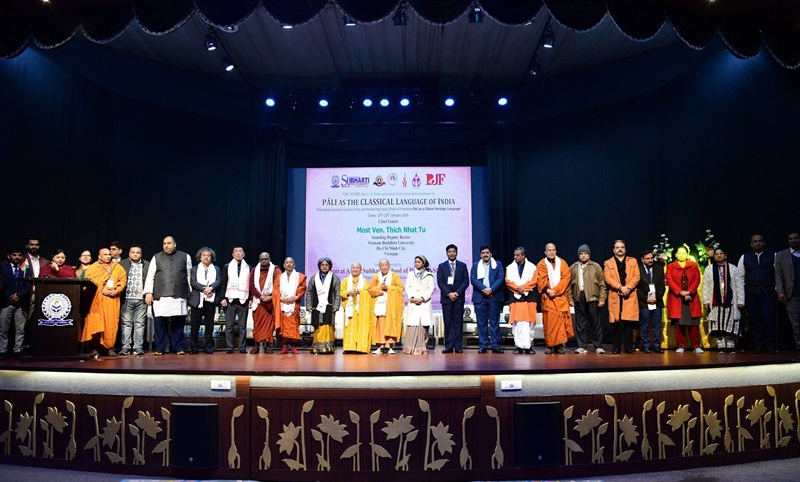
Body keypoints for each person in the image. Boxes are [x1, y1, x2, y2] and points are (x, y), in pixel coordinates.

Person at [143, 236, 192, 356]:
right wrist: (148, 292)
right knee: (160, 323)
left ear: (175, 244)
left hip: (179, 295)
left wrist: (190, 293)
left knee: (178, 324)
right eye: (164, 243)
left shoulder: (185, 256)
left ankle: (178, 347)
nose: (166, 246)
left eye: (169, 243)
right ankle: (160, 347)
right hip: (160, 296)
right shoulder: (156, 257)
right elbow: (150, 276)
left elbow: (189, 275)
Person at [82, 248, 127, 357]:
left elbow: (123, 280)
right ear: (99, 256)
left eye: (109, 254)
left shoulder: (117, 267)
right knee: (95, 322)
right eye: (105, 254)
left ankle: (109, 347)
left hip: (112, 300)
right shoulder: (93, 268)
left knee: (111, 323)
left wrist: (117, 290)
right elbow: (88, 283)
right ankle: (93, 348)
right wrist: (101, 290)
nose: (107, 256)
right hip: (96, 301)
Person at [737, 234, 777, 354]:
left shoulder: (773, 256)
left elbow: (778, 274)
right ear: (751, 244)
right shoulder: (744, 257)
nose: (758, 243)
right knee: (754, 321)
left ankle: (771, 345)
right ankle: (758, 345)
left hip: (768, 293)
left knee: (769, 319)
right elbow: (740, 277)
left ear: (764, 243)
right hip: (751, 294)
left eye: (760, 241)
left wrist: (776, 289)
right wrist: (742, 295)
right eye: (755, 241)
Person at [703, 247, 745, 354]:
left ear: (725, 255)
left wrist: (741, 300)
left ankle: (731, 346)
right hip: (715, 302)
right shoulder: (709, 269)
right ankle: (720, 346)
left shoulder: (733, 268)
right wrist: (706, 300)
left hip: (730, 302)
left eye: (721, 253)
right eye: (716, 254)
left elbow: (739, 285)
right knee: (718, 324)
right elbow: (705, 286)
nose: (719, 255)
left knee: (730, 324)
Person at [568, 244, 607, 354]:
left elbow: (602, 284)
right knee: (580, 323)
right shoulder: (573, 267)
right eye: (581, 253)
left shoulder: (596, 267)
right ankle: (581, 346)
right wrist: (570, 298)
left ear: (589, 255)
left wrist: (602, 298)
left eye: (585, 253)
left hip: (592, 297)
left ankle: (598, 346)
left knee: (595, 323)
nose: (583, 255)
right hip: (579, 296)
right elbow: (569, 286)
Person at [603, 240, 641, 354]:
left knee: (628, 322)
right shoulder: (608, 263)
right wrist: (620, 288)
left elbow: (637, 276)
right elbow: (608, 278)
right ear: (613, 250)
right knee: (616, 323)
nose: (620, 249)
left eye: (622, 247)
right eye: (617, 247)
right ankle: (616, 347)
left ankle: (628, 347)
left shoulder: (633, 261)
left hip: (629, 294)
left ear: (625, 249)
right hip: (616, 294)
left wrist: (628, 288)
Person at [666, 245, 703, 354]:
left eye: (683, 253)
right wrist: (680, 292)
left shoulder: (693, 265)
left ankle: (696, 346)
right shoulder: (671, 266)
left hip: (691, 298)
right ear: (676, 255)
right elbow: (669, 280)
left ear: (687, 254)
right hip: (677, 298)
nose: (681, 255)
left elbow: (697, 279)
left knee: (693, 324)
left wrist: (689, 291)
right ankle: (681, 346)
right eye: (679, 253)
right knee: (679, 324)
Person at [537, 243, 573, 354]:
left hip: (560, 297)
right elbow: (540, 279)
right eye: (549, 250)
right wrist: (548, 291)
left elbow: (566, 278)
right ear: (545, 252)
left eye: (553, 250)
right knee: (549, 323)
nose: (552, 252)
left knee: (560, 323)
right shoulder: (541, 264)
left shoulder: (563, 263)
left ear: (556, 251)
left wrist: (555, 291)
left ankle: (558, 346)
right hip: (548, 297)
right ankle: (549, 345)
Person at [470, 245, 505, 354]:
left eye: (487, 253)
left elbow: (500, 278)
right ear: (480, 255)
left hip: (494, 297)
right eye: (483, 253)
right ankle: (483, 345)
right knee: (481, 323)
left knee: (494, 322)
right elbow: (473, 279)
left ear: (491, 254)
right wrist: (484, 289)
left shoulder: (498, 264)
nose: (485, 255)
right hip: (480, 297)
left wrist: (491, 289)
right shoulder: (475, 265)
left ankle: (495, 345)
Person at [0, 247, 32, 360]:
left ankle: (18, 349)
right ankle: (2, 350)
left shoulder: (25, 267)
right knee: (3, 329)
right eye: (14, 255)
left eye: (19, 255)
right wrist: (10, 295)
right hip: (6, 301)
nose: (17, 257)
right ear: (9, 256)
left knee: (20, 329)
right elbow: (1, 284)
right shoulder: (3, 267)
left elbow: (28, 284)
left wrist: (19, 295)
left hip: (21, 302)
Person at [188, 247, 221, 355]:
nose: (206, 257)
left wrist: (211, 287)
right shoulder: (194, 269)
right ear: (200, 257)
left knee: (209, 326)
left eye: (208, 255)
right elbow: (193, 282)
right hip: (197, 300)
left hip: (210, 300)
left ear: (211, 257)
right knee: (195, 325)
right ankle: (194, 347)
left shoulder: (216, 269)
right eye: (204, 255)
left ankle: (208, 346)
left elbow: (218, 281)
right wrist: (204, 289)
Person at [437, 244, 469, 354]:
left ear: (457, 253)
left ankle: (458, 346)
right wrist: (449, 293)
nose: (451, 253)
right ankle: (449, 346)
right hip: (446, 299)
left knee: (458, 323)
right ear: (446, 253)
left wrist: (457, 293)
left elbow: (466, 281)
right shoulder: (442, 266)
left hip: (458, 299)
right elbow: (440, 282)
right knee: (448, 323)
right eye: (449, 252)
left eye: (453, 251)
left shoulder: (462, 265)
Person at [119, 245, 150, 356]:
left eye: (138, 252)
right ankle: (125, 347)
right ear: (129, 253)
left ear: (141, 254)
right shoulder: (122, 264)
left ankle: (138, 347)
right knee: (126, 323)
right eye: (133, 252)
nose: (135, 254)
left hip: (141, 298)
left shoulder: (147, 264)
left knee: (139, 324)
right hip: (126, 298)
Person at [506, 247, 538, 354]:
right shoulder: (510, 268)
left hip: (529, 298)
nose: (515, 257)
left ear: (523, 256)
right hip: (515, 298)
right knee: (517, 323)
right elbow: (508, 282)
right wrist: (518, 288)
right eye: (514, 255)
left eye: (518, 255)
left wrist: (523, 288)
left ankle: (529, 346)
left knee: (529, 323)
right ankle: (518, 346)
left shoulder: (532, 267)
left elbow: (534, 280)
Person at [368, 259, 404, 354]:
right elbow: (370, 289)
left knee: (390, 325)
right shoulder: (375, 277)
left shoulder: (395, 276)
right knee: (380, 326)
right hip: (379, 306)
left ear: (389, 265)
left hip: (391, 306)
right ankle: (380, 346)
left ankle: (389, 346)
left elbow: (400, 289)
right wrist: (380, 289)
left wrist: (388, 288)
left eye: (385, 265)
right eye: (382, 265)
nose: (384, 267)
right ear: (379, 266)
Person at [220, 246, 251, 354]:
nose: (238, 253)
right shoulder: (227, 266)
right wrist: (223, 298)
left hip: (243, 300)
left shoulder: (248, 267)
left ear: (243, 254)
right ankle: (230, 347)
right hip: (230, 300)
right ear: (233, 255)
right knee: (229, 326)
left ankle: (242, 347)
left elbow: (250, 285)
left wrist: (250, 298)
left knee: (242, 327)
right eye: (236, 252)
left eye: (240, 251)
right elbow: (223, 283)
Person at [249, 252, 281, 354]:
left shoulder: (276, 270)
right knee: (257, 325)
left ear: (269, 259)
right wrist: (260, 296)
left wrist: (271, 297)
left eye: (266, 259)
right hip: (258, 301)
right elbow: (251, 286)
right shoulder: (254, 270)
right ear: (259, 260)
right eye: (262, 259)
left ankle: (268, 346)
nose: (264, 261)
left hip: (270, 302)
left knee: (269, 325)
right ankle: (256, 345)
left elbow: (279, 285)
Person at [307, 257, 340, 355]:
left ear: (330, 266)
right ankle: (317, 347)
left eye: (326, 265)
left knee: (327, 325)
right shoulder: (314, 278)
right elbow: (309, 292)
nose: (324, 267)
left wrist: (336, 306)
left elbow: (337, 293)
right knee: (318, 325)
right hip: (316, 306)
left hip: (329, 306)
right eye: (322, 265)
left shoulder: (334, 278)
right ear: (319, 266)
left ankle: (328, 348)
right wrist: (309, 306)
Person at [775, 231, 800, 355]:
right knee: (796, 323)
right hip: (791, 294)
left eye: (795, 238)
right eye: (791, 239)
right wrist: (780, 291)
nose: (793, 240)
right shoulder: (781, 255)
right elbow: (778, 274)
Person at [637, 249, 666, 353]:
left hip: (657, 302)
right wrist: (646, 299)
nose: (650, 260)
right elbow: (637, 288)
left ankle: (657, 345)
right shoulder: (638, 269)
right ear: (642, 259)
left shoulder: (658, 268)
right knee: (644, 325)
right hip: (644, 303)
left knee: (657, 325)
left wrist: (656, 298)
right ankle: (646, 345)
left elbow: (662, 286)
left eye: (651, 258)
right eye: (647, 258)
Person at [404, 255, 434, 355]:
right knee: (412, 326)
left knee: (423, 327)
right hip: (413, 303)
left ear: (423, 263)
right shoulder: (410, 274)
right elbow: (407, 287)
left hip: (424, 303)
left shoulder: (429, 275)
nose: (416, 263)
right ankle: (410, 349)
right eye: (415, 262)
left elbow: (431, 289)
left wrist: (422, 298)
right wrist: (412, 298)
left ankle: (422, 348)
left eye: (419, 262)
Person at [341, 262, 373, 354]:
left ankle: (360, 348)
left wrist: (360, 291)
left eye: (357, 268)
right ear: (350, 269)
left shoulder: (364, 281)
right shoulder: (345, 281)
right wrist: (348, 292)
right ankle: (349, 348)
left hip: (361, 309)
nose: (355, 269)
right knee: (350, 328)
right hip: (350, 308)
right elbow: (341, 292)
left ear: (360, 270)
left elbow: (368, 293)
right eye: (353, 267)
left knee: (361, 328)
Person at [277, 257, 307, 354]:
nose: (289, 264)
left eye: (291, 262)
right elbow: (275, 290)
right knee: (283, 327)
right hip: (282, 305)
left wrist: (296, 297)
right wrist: (280, 298)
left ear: (294, 265)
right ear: (284, 265)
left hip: (294, 304)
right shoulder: (279, 277)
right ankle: (284, 347)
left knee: (294, 326)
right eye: (287, 262)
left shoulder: (300, 276)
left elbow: (303, 288)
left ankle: (294, 347)